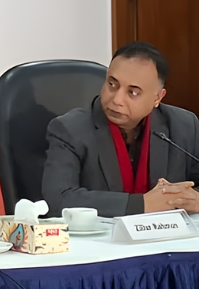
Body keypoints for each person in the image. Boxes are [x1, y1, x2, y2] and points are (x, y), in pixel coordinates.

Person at [42, 41, 199, 218]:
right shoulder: (69, 130)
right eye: (112, 84)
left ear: (157, 98)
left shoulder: (184, 125)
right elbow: (58, 199)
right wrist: (142, 204)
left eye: (133, 92)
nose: (117, 99)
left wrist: (196, 199)